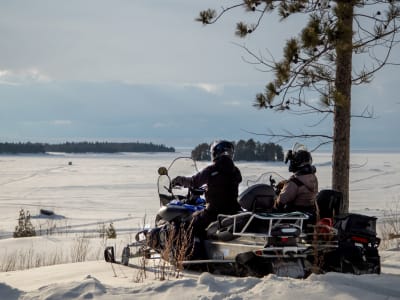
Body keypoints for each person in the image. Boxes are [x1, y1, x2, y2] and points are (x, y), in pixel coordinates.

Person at [171, 140, 242, 238]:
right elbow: (232, 183)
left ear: (215, 153)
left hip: (214, 212)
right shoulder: (236, 171)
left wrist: (179, 180)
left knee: (187, 225)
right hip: (233, 211)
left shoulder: (212, 169)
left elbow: (194, 181)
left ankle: (193, 252)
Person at [274, 143, 318, 215]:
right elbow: (302, 188)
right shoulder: (313, 177)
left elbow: (281, 201)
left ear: (296, 162)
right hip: (308, 213)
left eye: (292, 161)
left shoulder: (294, 182)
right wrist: (285, 184)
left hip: (293, 216)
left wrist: (275, 200)